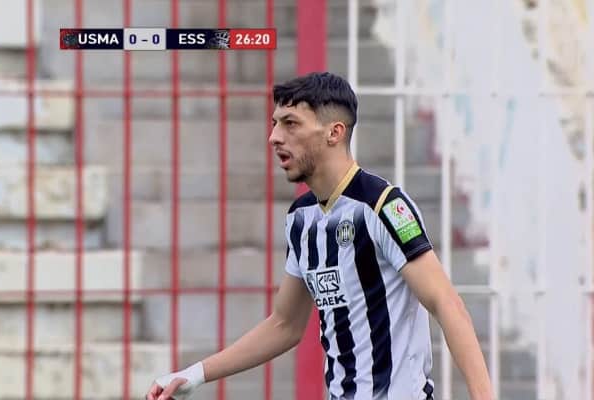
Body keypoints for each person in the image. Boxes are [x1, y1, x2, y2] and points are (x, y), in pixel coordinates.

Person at [145, 72, 493, 400]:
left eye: (291, 123)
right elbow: (285, 324)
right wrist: (194, 375)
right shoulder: (301, 219)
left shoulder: (382, 206)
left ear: (334, 133)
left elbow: (447, 304)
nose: (274, 137)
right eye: (275, 123)